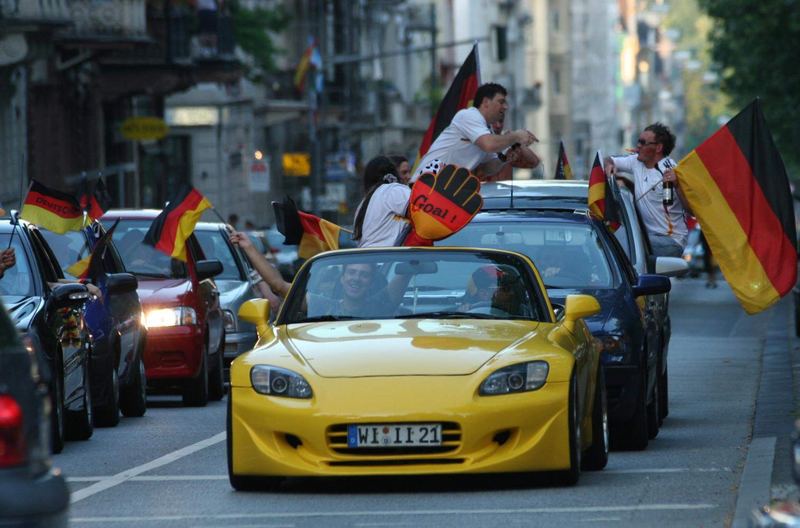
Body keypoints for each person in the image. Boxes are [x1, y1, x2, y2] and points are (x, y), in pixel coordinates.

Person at [412, 83, 538, 182]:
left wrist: (503, 157)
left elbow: (487, 168)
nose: (505, 107)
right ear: (486, 102)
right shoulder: (469, 115)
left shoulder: (487, 130)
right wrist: (516, 136)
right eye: (501, 102)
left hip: (442, 191)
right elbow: (488, 144)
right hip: (426, 184)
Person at [604, 123, 689, 257]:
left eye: (643, 143)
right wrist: (609, 166)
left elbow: (691, 210)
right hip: (646, 237)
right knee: (608, 238)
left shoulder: (671, 170)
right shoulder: (636, 162)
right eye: (638, 141)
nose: (638, 146)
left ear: (658, 147)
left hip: (670, 241)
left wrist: (677, 185)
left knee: (622, 243)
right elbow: (608, 160)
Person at [352, 155, 411, 248]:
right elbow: (423, 211)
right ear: (395, 173)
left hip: (366, 259)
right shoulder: (393, 190)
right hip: (388, 259)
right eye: (404, 172)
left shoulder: (362, 206)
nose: (409, 177)